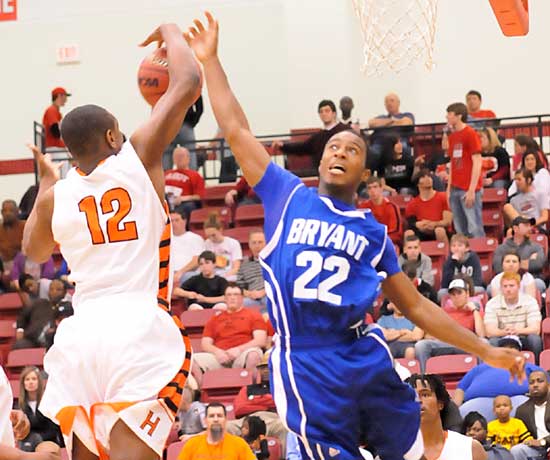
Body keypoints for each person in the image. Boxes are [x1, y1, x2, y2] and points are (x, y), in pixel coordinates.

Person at [185, 13, 526, 459]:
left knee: (425, 449)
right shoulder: (287, 195)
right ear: (321, 161)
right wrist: (211, 61)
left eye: (352, 149)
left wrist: (486, 349)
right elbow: (236, 130)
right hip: (306, 362)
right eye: (333, 147)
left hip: (360, 354)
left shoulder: (373, 232)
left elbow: (418, 306)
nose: (341, 152)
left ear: (365, 171)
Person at [21, 22, 200, 460]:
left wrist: (46, 185)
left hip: (81, 334)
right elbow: (190, 82)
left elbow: (33, 251)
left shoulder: (57, 195)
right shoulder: (137, 157)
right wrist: (173, 33)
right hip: (136, 323)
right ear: (112, 137)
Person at [191, 283, 267, 386]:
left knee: (253, 355)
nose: (232, 298)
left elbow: (261, 341)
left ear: (242, 298)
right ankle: (201, 392)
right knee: (191, 360)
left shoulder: (253, 315)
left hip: (242, 354)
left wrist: (239, 349)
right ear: (225, 298)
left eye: (235, 295)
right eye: (229, 295)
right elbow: (205, 344)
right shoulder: (215, 319)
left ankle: (251, 389)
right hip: (219, 357)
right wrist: (217, 352)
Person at [454, 336, 542, 422]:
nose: (509, 350)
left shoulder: (529, 366)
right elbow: (461, 388)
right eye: (504, 348)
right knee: (462, 413)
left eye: (513, 348)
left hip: (518, 401)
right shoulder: (479, 368)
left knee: (534, 412)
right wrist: (455, 408)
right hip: (479, 403)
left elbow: (545, 383)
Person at [408, 373, 488, 460]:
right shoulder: (396, 452)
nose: (418, 401)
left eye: (425, 395)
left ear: (440, 403)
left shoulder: (471, 448)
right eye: (412, 396)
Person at [415, 276, 485, 372]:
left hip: (466, 343)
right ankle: (425, 379)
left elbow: (481, 334)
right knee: (421, 345)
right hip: (446, 342)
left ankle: (481, 377)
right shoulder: (444, 312)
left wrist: (474, 310)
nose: (456, 297)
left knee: (483, 342)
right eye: (453, 294)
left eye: (459, 293)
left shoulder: (474, 311)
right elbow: (428, 334)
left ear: (467, 294)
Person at [271, 100, 350, 176]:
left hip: (343, 174)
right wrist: (283, 146)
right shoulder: (317, 137)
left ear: (334, 113)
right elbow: (301, 148)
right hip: (324, 178)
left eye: (327, 111)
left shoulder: (345, 131)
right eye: (321, 111)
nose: (324, 114)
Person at [226, 353, 286, 452]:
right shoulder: (248, 388)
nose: (265, 370)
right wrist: (266, 405)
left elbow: (281, 404)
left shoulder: (282, 387)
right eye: (262, 368)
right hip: (247, 420)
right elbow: (239, 409)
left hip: (272, 419)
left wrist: (255, 402)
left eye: (268, 367)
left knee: (284, 427)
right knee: (226, 427)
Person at [445, 102, 485, 237]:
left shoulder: (470, 134)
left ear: (459, 116)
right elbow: (453, 163)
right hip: (455, 187)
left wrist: (472, 189)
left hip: (468, 187)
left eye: (450, 114)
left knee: (474, 227)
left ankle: (480, 254)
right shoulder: (452, 136)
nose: (447, 117)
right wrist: (448, 188)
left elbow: (477, 161)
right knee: (460, 229)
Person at [484, 272, 542, 359]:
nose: (508, 289)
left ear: (518, 287)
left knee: (535, 339)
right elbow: (489, 332)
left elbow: (535, 329)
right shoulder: (492, 304)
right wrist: (505, 332)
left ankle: (536, 367)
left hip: (522, 336)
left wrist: (517, 331)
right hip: (502, 337)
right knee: (492, 341)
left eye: (511, 286)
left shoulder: (530, 301)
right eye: (505, 286)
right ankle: (495, 369)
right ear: (501, 288)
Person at [177, 402, 256, 460]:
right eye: (211, 416)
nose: (216, 419)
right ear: (205, 421)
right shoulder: (192, 445)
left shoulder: (239, 444)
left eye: (219, 416)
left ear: (225, 420)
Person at [492, 217, 546, 292]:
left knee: (539, 283)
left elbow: (538, 264)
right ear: (515, 228)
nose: (530, 228)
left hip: (529, 280)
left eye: (530, 226)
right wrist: (527, 262)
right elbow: (498, 268)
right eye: (526, 225)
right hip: (506, 281)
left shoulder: (536, 247)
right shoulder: (501, 248)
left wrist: (510, 264)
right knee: (491, 287)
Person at [367, 92, 415, 171]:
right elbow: (371, 123)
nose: (389, 103)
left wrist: (384, 123)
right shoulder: (381, 117)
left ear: (398, 103)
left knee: (405, 149)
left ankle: (406, 176)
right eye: (386, 102)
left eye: (392, 101)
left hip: (399, 142)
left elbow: (406, 122)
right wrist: (393, 121)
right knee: (372, 153)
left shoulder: (407, 115)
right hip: (380, 144)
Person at [17, 367, 62, 452]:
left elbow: (54, 428)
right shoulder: (20, 406)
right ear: (23, 383)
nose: (31, 382)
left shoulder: (48, 402)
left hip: (48, 442)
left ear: (39, 382)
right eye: (27, 379)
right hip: (28, 444)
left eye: (34, 379)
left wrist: (38, 439)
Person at [404, 169, 453, 245]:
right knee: (408, 233)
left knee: (439, 231)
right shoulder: (412, 204)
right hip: (422, 232)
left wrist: (433, 224)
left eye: (429, 176)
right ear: (418, 184)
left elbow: (447, 221)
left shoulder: (443, 197)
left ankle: (446, 255)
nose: (428, 179)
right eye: (423, 177)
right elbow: (411, 223)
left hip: (440, 229)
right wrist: (418, 224)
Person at [14, 279, 67, 349]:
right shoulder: (39, 303)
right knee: (19, 345)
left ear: (64, 293)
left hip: (55, 342)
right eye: (51, 289)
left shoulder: (68, 307)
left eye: (58, 289)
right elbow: (23, 316)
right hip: (32, 339)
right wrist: (20, 329)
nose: (54, 292)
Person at [510, 370, 550, 460]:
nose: (535, 385)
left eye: (540, 381)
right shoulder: (522, 410)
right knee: (516, 450)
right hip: (536, 449)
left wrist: (543, 442)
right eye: (531, 382)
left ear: (548, 384)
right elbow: (519, 433)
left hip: (546, 443)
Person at [162, 94, 203, 171]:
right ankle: (191, 177)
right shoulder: (191, 82)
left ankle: (165, 179)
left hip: (173, 124)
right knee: (190, 154)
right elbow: (199, 105)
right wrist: (193, 121)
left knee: (166, 158)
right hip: (181, 124)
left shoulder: (164, 85)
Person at [357, 176, 402, 245]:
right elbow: (359, 228)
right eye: (369, 188)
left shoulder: (391, 207)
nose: (372, 190)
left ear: (381, 188)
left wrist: (378, 239)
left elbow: (396, 232)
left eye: (375, 187)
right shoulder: (362, 208)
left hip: (388, 243)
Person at [164, 146, 205, 220]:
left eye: (181, 156)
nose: (179, 158)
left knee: (189, 206)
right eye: (176, 156)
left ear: (188, 158)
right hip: (165, 202)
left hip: (183, 204)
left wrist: (182, 199)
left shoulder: (195, 175)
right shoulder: (166, 174)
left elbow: (199, 196)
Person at [440, 233, 484, 298]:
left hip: (470, 288)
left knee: (480, 289)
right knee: (442, 293)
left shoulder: (473, 258)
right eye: (453, 246)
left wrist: (465, 289)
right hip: (454, 289)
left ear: (467, 248)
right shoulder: (449, 261)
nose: (456, 248)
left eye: (459, 246)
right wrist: (453, 262)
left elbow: (478, 280)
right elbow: (445, 284)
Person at [170, 210, 206, 286]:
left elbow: (197, 260)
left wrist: (180, 272)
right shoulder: (165, 239)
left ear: (185, 221)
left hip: (188, 273)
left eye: (177, 220)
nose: (173, 223)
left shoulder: (195, 238)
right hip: (168, 273)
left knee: (190, 277)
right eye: (171, 221)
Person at [203, 213, 243, 280]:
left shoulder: (233, 243)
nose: (211, 238)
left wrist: (224, 277)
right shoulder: (206, 243)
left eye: (213, 235)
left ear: (220, 230)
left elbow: (236, 268)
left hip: (229, 275)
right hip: (212, 275)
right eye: (208, 236)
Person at [236, 229, 267, 307]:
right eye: (254, 243)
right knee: (238, 305)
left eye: (260, 242)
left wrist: (264, 292)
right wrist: (248, 293)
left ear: (266, 243)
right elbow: (239, 286)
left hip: (270, 296)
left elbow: (280, 283)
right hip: (250, 298)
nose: (257, 246)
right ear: (249, 245)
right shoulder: (244, 264)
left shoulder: (274, 262)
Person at [0, 200, 26, 277]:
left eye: (11, 210)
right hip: (3, 265)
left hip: (22, 265)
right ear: (1, 212)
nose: (7, 213)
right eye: (5, 211)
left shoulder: (24, 226)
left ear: (17, 211)